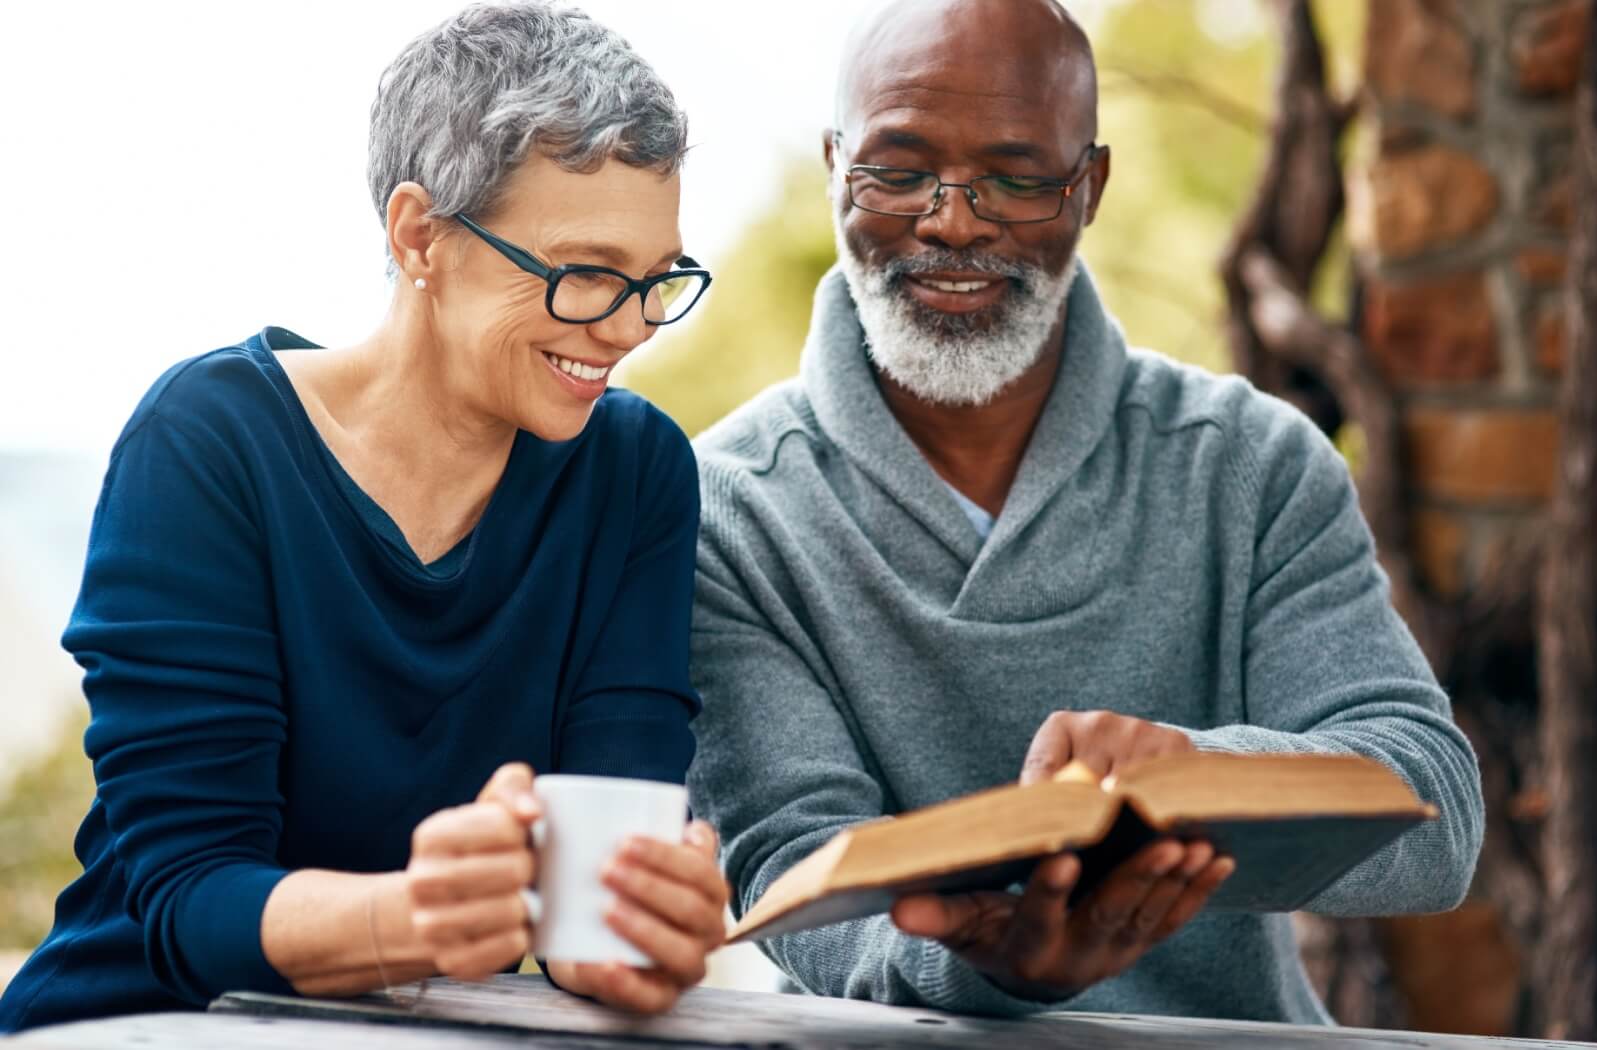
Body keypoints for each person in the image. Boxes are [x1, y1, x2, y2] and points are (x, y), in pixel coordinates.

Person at [686, 0, 1484, 1023]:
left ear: (1090, 187)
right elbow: (790, 872)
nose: (954, 220)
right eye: (897, 169)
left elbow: (1436, 821)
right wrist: (977, 964)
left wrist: (1196, 781)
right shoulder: (727, 510)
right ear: (836, 163)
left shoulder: (1252, 464)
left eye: (1017, 178)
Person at [0, 2, 728, 1033]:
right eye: (585, 277)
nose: (626, 329)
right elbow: (186, 900)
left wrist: (634, 929)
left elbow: (590, 908)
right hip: (139, 1019)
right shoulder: (211, 443)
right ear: (420, 234)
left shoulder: (637, 472)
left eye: (657, 282)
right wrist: (416, 915)